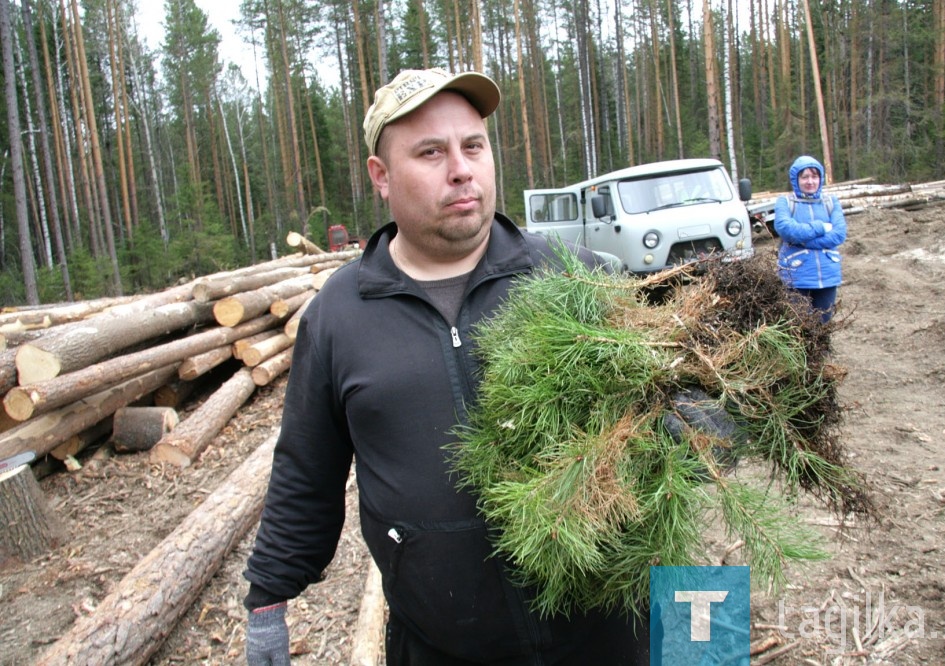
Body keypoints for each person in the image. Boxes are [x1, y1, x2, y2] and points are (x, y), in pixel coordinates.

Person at [242, 67, 649, 665]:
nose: (461, 169)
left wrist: (704, 642)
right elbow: (306, 472)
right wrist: (268, 602)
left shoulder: (576, 276)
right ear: (381, 177)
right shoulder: (340, 316)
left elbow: (680, 462)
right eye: (431, 152)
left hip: (605, 638)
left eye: (473, 146)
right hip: (439, 646)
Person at [772, 155, 847, 324]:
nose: (810, 181)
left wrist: (804, 240)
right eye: (804, 177)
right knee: (798, 327)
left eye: (814, 176)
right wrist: (821, 227)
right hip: (796, 276)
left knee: (823, 327)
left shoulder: (831, 202)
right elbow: (786, 230)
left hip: (828, 276)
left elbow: (839, 234)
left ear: (820, 179)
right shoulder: (785, 202)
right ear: (795, 179)